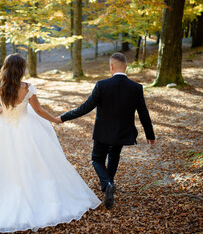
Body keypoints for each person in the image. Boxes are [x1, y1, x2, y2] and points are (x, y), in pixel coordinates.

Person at [0, 53, 101, 233]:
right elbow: (39, 110)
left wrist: (7, 110)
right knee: (36, 164)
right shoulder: (28, 88)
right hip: (27, 128)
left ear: (6, 68)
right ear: (21, 69)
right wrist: (56, 120)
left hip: (1, 129)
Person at [57, 52, 156, 209]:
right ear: (126, 67)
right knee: (114, 155)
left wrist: (63, 117)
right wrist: (150, 134)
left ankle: (108, 183)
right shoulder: (136, 88)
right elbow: (143, 113)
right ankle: (108, 185)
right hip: (123, 132)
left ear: (111, 66)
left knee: (97, 159)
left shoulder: (102, 85)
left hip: (103, 132)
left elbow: (85, 108)